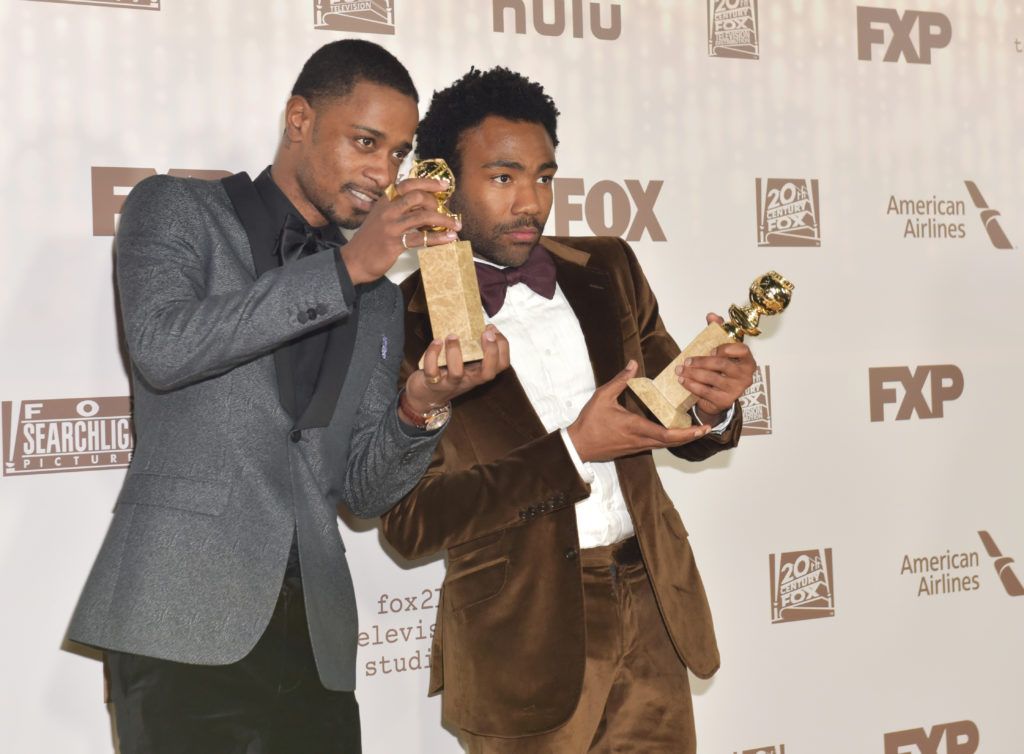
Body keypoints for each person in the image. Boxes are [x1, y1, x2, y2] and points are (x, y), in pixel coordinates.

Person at [66, 41, 508, 753]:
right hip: (183, 619)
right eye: (365, 142)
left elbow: (365, 493)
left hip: (316, 644)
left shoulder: (379, 303)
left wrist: (418, 405)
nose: (382, 173)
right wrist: (344, 268)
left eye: (397, 154)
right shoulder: (178, 209)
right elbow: (165, 348)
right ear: (299, 118)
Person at [381, 67, 756, 753]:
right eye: (502, 178)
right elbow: (409, 523)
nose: (530, 201)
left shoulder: (606, 267)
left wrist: (712, 407)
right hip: (519, 639)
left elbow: (666, 408)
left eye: (544, 176)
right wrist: (573, 448)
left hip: (653, 607)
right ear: (444, 183)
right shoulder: (400, 322)